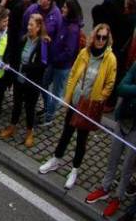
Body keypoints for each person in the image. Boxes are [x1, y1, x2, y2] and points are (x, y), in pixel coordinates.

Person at [39, 24, 117, 189]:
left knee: (82, 140)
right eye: (98, 36)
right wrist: (68, 96)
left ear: (107, 39)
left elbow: (110, 84)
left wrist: (98, 99)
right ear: (93, 36)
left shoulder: (110, 59)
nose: (100, 40)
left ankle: (75, 169)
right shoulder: (84, 53)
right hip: (76, 102)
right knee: (66, 133)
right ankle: (56, 159)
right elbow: (73, 74)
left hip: (89, 106)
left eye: (104, 38)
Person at [85, 54, 136, 221]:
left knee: (128, 165)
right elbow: (121, 87)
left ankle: (118, 197)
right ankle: (105, 187)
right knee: (113, 157)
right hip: (123, 120)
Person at [0, 11, 48, 148]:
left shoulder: (42, 44)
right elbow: (16, 56)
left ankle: (29, 133)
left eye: (31, 25)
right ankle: (12, 127)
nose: (28, 27)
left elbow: (43, 65)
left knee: (29, 108)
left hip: (32, 83)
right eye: (28, 24)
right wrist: (10, 64)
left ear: (38, 27)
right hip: (19, 80)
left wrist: (26, 67)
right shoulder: (24, 39)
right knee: (17, 104)